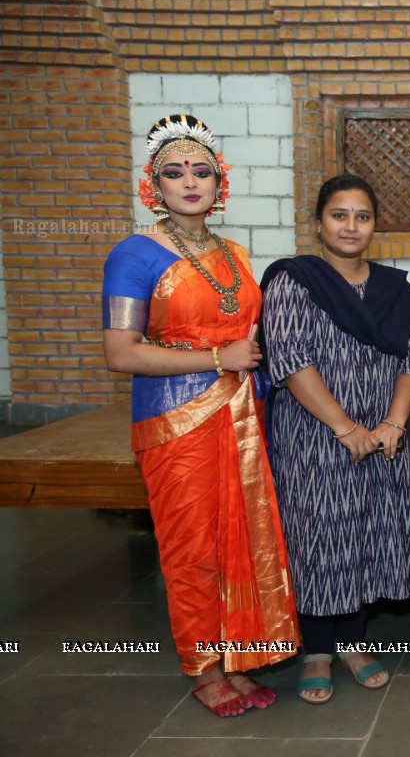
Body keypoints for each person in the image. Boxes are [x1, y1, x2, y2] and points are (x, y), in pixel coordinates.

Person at [102, 114, 298, 717]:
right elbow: (120, 352)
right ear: (152, 185)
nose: (189, 182)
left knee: (243, 538)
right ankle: (203, 667)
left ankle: (236, 658)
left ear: (221, 183)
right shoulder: (132, 254)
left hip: (241, 418)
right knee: (193, 550)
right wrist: (218, 356)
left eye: (201, 171)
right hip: (175, 423)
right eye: (173, 172)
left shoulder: (235, 253)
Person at [260, 174, 410, 704]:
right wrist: (345, 427)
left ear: (374, 225)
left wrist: (393, 424)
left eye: (362, 216)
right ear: (319, 223)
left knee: (365, 532)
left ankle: (352, 642)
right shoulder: (293, 281)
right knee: (318, 534)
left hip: (383, 436)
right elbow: (290, 360)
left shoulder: (395, 290)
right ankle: (316, 648)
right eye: (339, 215)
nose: (351, 226)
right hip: (313, 436)